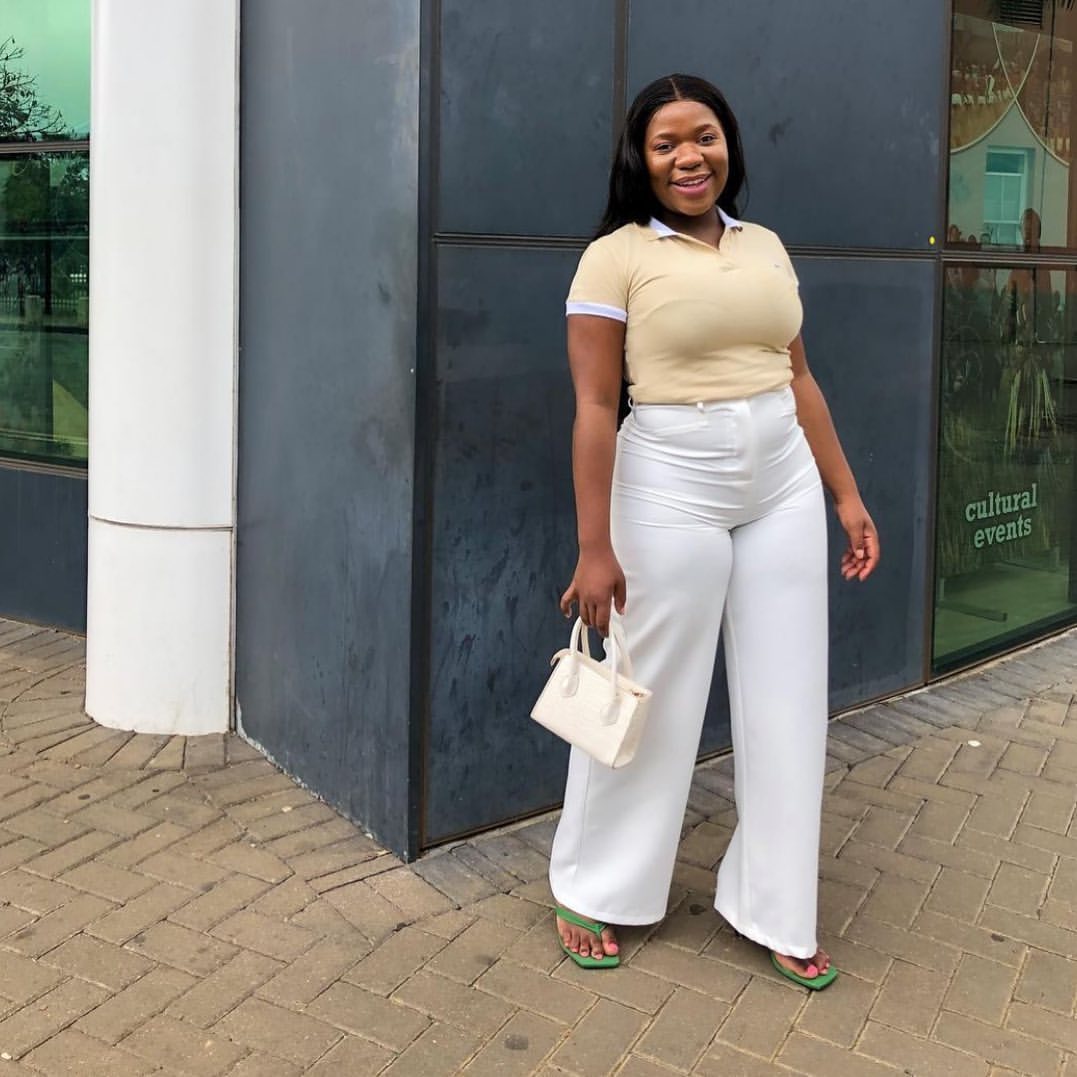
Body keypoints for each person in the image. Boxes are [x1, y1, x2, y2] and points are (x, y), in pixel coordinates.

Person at [548, 74, 879, 990]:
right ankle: (594, 885)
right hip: (668, 483)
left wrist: (845, 495)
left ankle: (775, 905)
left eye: (703, 136)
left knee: (788, 699)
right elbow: (593, 405)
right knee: (648, 691)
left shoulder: (763, 244)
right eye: (665, 143)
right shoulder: (614, 257)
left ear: (727, 142)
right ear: (640, 158)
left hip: (781, 482)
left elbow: (797, 378)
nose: (688, 157)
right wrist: (593, 546)